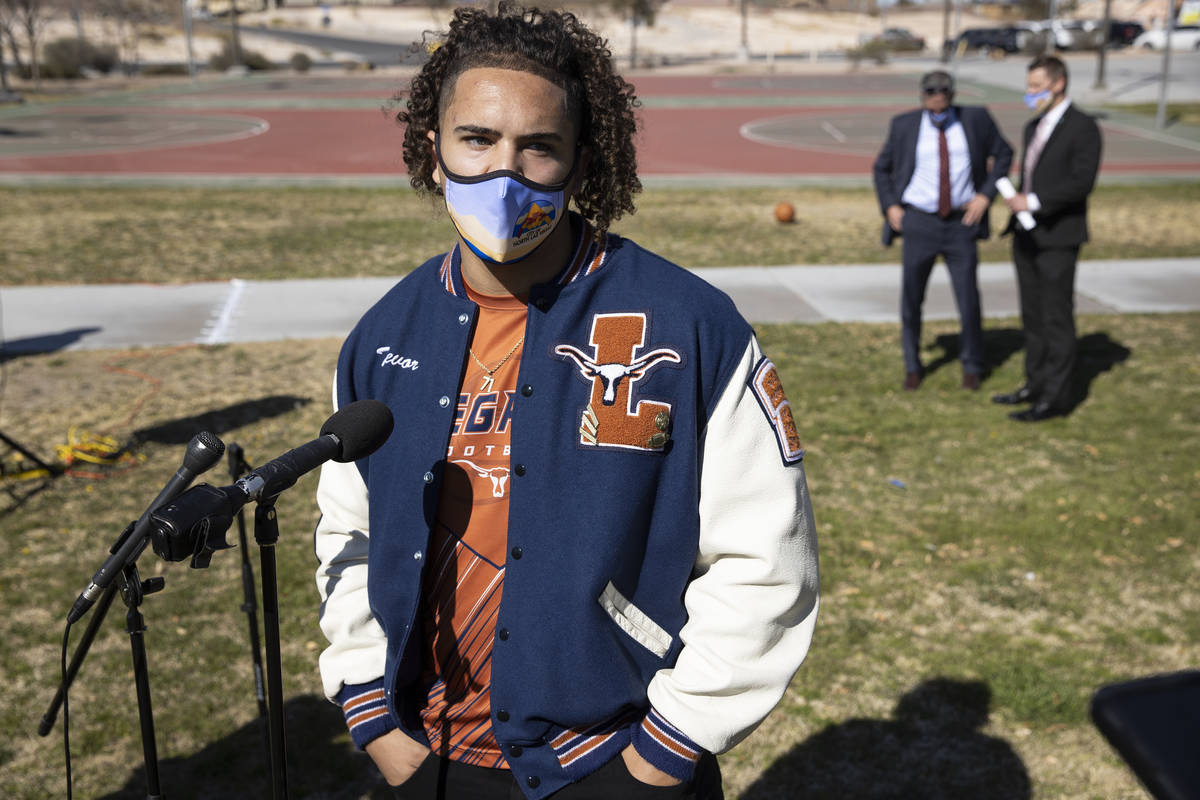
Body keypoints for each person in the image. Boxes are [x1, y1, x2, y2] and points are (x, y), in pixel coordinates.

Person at [313, 6, 820, 799]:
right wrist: (371, 710)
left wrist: (672, 743)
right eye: (477, 139)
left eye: (538, 147)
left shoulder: (689, 325)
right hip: (426, 755)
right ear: (431, 150)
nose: (504, 174)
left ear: (581, 164)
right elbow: (348, 533)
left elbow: (767, 559)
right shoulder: (382, 336)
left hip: (614, 760)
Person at [872, 70, 1013, 392]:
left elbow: (1004, 154)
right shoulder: (904, 125)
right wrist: (891, 206)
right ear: (922, 94)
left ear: (953, 93)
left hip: (961, 224)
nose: (938, 95)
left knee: (968, 298)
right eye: (932, 90)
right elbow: (882, 168)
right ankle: (912, 365)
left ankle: (972, 365)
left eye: (944, 90)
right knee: (911, 298)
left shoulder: (976, 120)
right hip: (919, 222)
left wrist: (985, 196)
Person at [995, 55, 1102, 422]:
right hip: (1026, 235)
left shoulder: (1083, 127)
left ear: (1058, 84)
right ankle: (1034, 384)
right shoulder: (1033, 126)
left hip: (1058, 236)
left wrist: (1035, 201)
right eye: (1029, 86)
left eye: (1037, 86)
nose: (1030, 93)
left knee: (1056, 317)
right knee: (1033, 316)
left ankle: (1056, 399)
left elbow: (1080, 183)